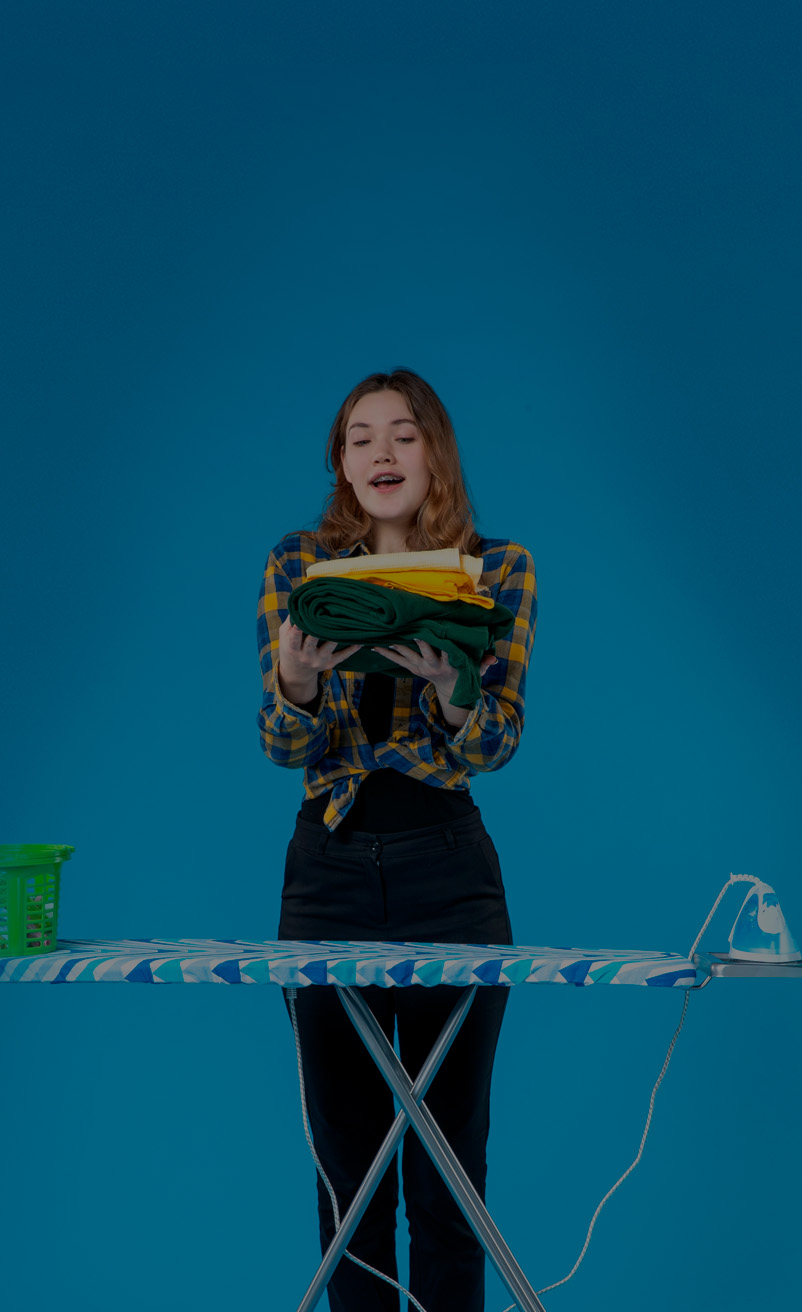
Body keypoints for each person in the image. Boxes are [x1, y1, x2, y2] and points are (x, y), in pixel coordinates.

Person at [256, 368, 537, 1312]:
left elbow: (495, 744)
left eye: (404, 434)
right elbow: (281, 745)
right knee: (350, 1177)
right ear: (341, 464)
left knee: (450, 1172)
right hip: (327, 873)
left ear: (435, 453)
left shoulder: (499, 568)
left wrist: (457, 695)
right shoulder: (297, 566)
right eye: (361, 437)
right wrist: (297, 684)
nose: (382, 451)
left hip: (449, 874)